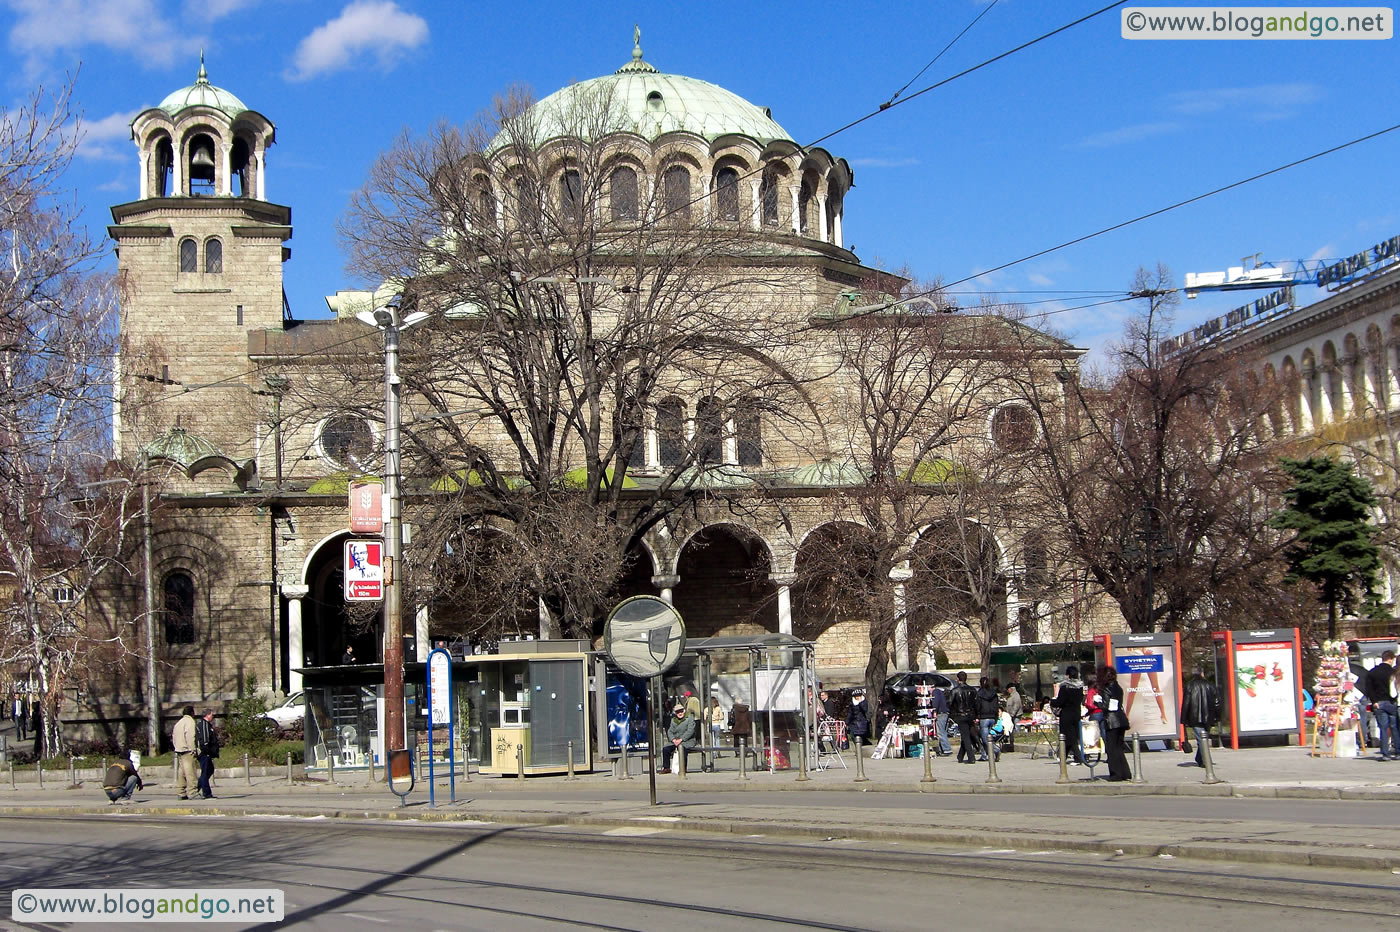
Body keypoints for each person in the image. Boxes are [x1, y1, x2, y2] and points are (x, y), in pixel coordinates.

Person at [1179, 668, 1222, 768]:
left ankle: (1201, 759)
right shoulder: (1210, 686)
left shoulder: (1189, 686)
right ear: (1202, 674)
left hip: (1194, 718)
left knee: (1201, 739)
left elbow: (1186, 703)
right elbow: (1217, 703)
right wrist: (1217, 717)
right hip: (1209, 717)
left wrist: (1183, 719)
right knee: (1203, 738)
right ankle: (1206, 760)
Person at [1362, 650, 1398, 760]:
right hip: (1391, 702)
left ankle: (1385, 753)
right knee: (1394, 727)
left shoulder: (1372, 672)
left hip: (1379, 703)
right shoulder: (1393, 672)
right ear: (1391, 659)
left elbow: (1369, 688)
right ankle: (1398, 751)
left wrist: (1374, 701)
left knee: (1383, 728)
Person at [1100, 666, 1132, 781]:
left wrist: (1097, 702)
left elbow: (1105, 706)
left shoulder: (1106, 689)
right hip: (1121, 719)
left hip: (1112, 721)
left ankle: (1116, 774)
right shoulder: (1118, 687)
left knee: (1111, 748)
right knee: (1119, 747)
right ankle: (1125, 772)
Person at [1051, 666, 1086, 765]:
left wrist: (1052, 701)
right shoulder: (1080, 687)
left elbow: (1060, 701)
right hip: (1076, 713)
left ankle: (1078, 758)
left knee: (1069, 737)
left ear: (1068, 675)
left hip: (1066, 714)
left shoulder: (1065, 687)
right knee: (1071, 735)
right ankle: (1063, 756)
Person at [948, 671, 978, 764]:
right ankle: (960, 755)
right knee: (966, 734)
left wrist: (953, 713)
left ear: (958, 679)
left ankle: (971, 757)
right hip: (970, 714)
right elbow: (976, 703)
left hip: (961, 715)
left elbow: (950, 703)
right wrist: (976, 714)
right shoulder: (973, 690)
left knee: (966, 736)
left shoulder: (955, 691)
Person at [661, 703, 698, 773]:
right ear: (675, 713)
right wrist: (673, 739)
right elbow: (670, 731)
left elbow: (690, 731)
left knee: (683, 749)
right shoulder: (673, 720)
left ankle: (683, 769)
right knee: (665, 749)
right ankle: (666, 768)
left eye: (681, 711)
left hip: (687, 741)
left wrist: (681, 739)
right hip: (676, 741)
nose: (680, 713)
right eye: (678, 712)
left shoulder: (690, 718)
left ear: (684, 711)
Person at [172, 704, 199, 800]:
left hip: (179, 750)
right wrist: (193, 749)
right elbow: (190, 736)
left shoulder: (179, 723)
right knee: (190, 771)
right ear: (192, 713)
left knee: (181, 772)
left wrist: (176, 747)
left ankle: (181, 792)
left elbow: (174, 737)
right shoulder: (190, 722)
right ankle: (192, 791)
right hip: (187, 750)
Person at [195, 709, 220, 799]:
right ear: (207, 715)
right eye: (211, 714)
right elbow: (205, 740)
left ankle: (197, 787)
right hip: (205, 753)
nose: (212, 716)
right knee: (205, 772)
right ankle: (207, 793)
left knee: (209, 770)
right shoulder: (204, 724)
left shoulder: (207, 725)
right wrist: (207, 751)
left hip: (207, 752)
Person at [974, 676, 1000, 761]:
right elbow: (996, 705)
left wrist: (977, 715)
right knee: (986, 737)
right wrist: (996, 716)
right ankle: (984, 755)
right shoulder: (993, 693)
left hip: (984, 717)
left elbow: (977, 706)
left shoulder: (979, 694)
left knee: (985, 739)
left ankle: (996, 750)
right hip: (992, 716)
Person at [845, 690, 871, 755]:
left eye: (858, 696)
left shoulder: (864, 702)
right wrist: (847, 722)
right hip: (853, 722)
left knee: (861, 736)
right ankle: (858, 749)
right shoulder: (852, 703)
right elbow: (850, 713)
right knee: (853, 735)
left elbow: (865, 709)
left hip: (861, 722)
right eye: (856, 696)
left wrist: (860, 703)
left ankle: (862, 749)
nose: (857, 697)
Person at [931, 683, 952, 756]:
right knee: (942, 731)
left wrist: (934, 711)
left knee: (940, 732)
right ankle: (943, 748)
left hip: (941, 713)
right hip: (944, 713)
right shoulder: (939, 692)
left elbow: (935, 702)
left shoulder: (935, 692)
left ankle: (947, 749)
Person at [1003, 684, 1023, 752]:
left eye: (1008, 689)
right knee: (1011, 728)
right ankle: (1012, 740)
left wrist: (1013, 713)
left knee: (1017, 727)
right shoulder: (1011, 695)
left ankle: (1019, 739)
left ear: (1011, 689)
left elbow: (1017, 705)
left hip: (1016, 715)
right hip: (1011, 714)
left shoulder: (1016, 695)